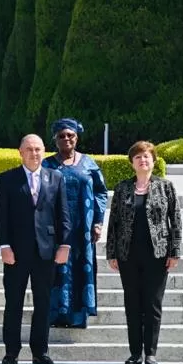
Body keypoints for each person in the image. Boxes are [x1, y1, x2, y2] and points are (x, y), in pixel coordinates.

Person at [0, 134, 72, 364]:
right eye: (29, 149)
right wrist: (4, 245)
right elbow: (1, 215)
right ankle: (11, 352)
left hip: (46, 252)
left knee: (43, 302)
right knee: (14, 303)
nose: (34, 153)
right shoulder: (8, 179)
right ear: (20, 152)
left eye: (38, 149)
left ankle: (40, 351)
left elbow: (63, 215)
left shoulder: (55, 178)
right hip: (16, 252)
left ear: (44, 151)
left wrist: (65, 245)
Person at [106, 141, 181, 364]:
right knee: (132, 304)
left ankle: (150, 353)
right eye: (138, 157)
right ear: (132, 163)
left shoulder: (165, 187)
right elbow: (114, 223)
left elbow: (175, 221)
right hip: (128, 254)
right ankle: (134, 353)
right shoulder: (122, 188)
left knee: (152, 304)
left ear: (154, 161)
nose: (143, 160)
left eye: (147, 157)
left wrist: (174, 251)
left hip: (157, 255)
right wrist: (111, 253)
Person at [42, 118, 108, 329]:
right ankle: (57, 314)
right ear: (55, 139)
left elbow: (100, 192)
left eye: (70, 135)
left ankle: (79, 316)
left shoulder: (88, 163)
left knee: (81, 268)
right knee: (57, 270)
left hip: (83, 228)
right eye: (61, 136)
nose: (66, 139)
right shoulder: (47, 164)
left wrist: (98, 222)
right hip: (56, 228)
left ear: (77, 137)